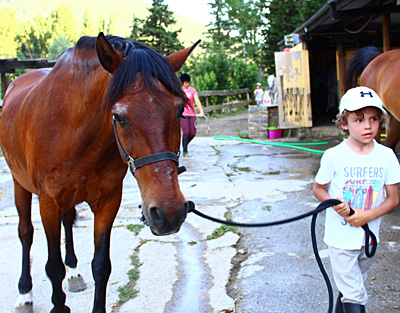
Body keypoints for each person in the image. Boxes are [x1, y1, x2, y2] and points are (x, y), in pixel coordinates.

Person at [312, 86, 400, 313]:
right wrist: (335, 203)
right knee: (356, 293)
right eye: (358, 120)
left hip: (368, 238)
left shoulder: (387, 156)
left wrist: (366, 216)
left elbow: (393, 199)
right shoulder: (334, 156)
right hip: (341, 238)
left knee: (352, 284)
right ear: (344, 123)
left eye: (373, 119)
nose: (368, 126)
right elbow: (318, 189)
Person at [180, 73, 204, 156]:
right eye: (185, 82)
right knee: (186, 132)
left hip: (192, 114)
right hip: (183, 114)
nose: (187, 84)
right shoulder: (179, 91)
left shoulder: (193, 90)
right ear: (182, 82)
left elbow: (197, 101)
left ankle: (185, 144)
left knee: (192, 133)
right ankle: (185, 151)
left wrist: (201, 111)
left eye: (188, 82)